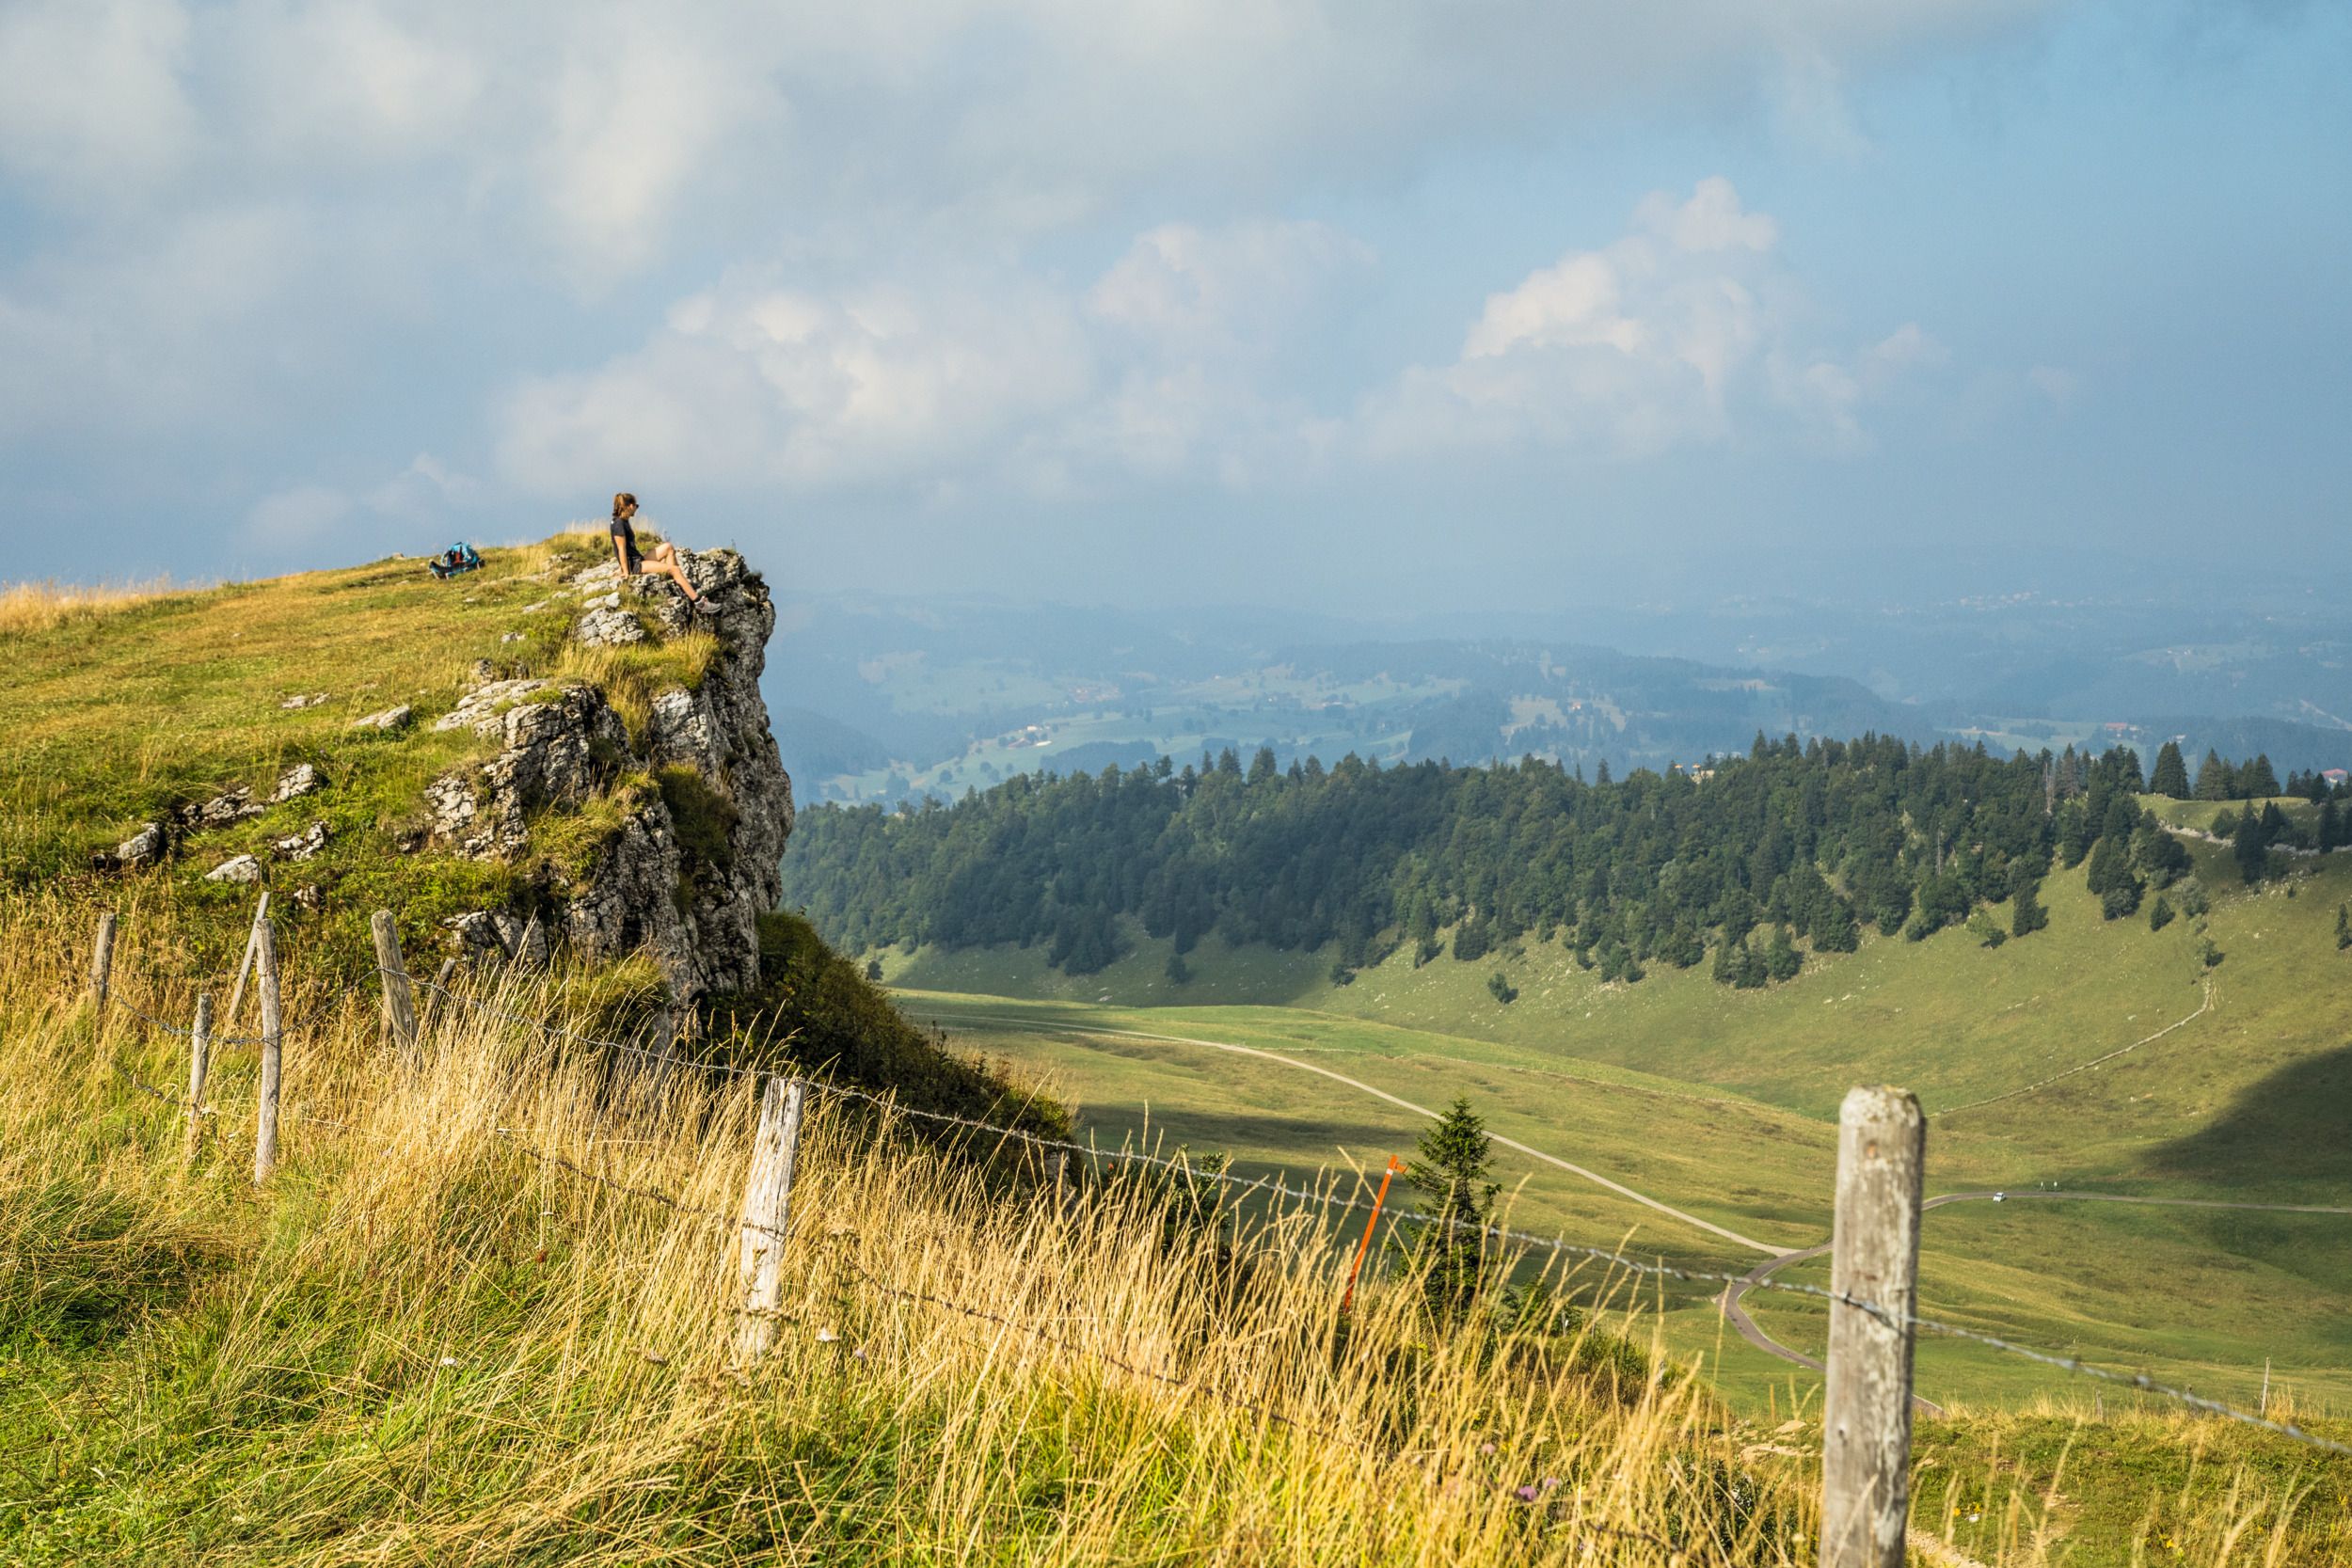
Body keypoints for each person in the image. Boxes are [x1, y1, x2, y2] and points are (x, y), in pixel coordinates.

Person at [609, 493, 715, 612]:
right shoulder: (619, 524)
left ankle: (679, 583)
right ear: (630, 506)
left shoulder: (623, 521)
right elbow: (621, 548)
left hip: (638, 559)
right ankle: (700, 604)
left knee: (668, 547)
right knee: (675, 570)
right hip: (635, 565)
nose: (636, 509)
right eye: (636, 506)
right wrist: (625, 571)